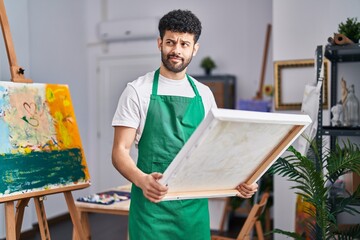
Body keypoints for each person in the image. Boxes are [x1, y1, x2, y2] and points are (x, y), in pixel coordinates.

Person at [111, 9, 258, 240]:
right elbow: (119, 151)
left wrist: (238, 180)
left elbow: (213, 150)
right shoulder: (137, 91)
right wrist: (142, 180)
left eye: (184, 44)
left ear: (194, 48)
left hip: (193, 211)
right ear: (160, 43)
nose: (176, 50)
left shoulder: (204, 94)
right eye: (170, 42)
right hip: (152, 209)